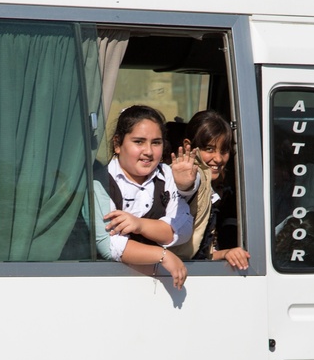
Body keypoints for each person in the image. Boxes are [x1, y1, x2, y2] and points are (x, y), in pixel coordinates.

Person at [92, 105, 197, 290]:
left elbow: (182, 231)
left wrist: (138, 225)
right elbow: (110, 246)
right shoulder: (100, 182)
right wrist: (163, 255)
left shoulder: (168, 175)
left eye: (156, 142)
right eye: (139, 142)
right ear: (117, 144)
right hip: (109, 286)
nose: (148, 151)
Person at [171, 110, 250, 270]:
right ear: (188, 146)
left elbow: (198, 253)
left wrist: (227, 253)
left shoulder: (209, 188)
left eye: (224, 150)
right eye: (209, 149)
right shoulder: (193, 178)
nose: (219, 158)